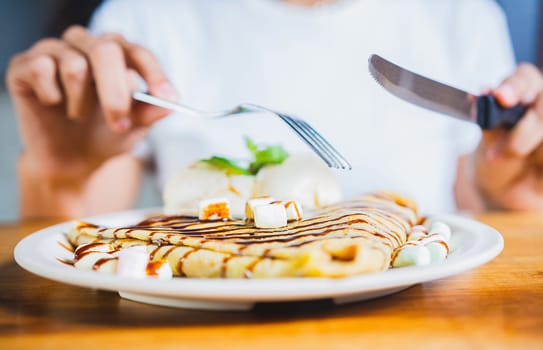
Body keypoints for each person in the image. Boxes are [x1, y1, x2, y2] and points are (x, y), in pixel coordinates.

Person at [6, 0, 543, 219]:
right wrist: (66, 175)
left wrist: (514, 193)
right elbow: (89, 262)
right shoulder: (145, 17)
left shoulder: (461, 14)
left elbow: (467, 220)